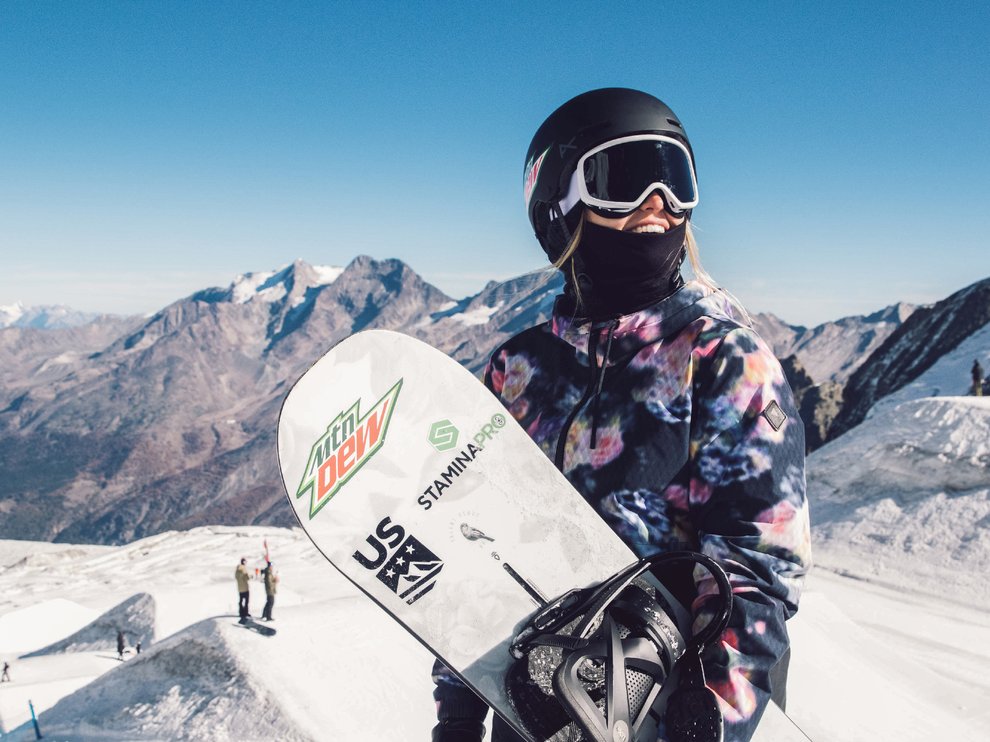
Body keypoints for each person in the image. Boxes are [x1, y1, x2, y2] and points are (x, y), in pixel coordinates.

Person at [430, 88, 811, 742]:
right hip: (537, 710)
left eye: (676, 179)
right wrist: (459, 708)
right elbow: (478, 552)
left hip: (662, 715)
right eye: (627, 179)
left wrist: (703, 721)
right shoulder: (516, 373)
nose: (658, 202)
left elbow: (757, 576)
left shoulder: (723, 363)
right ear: (559, 204)